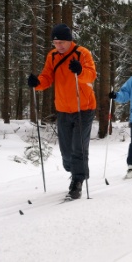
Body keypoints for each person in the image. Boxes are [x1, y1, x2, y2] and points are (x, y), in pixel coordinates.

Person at [27, 23, 97, 199]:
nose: (58, 46)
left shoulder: (82, 53)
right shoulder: (52, 56)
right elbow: (47, 77)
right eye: (55, 43)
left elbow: (91, 74)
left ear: (69, 41)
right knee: (66, 151)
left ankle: (77, 181)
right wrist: (37, 83)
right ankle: (74, 170)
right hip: (63, 109)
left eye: (62, 43)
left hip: (84, 107)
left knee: (78, 148)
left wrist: (80, 71)